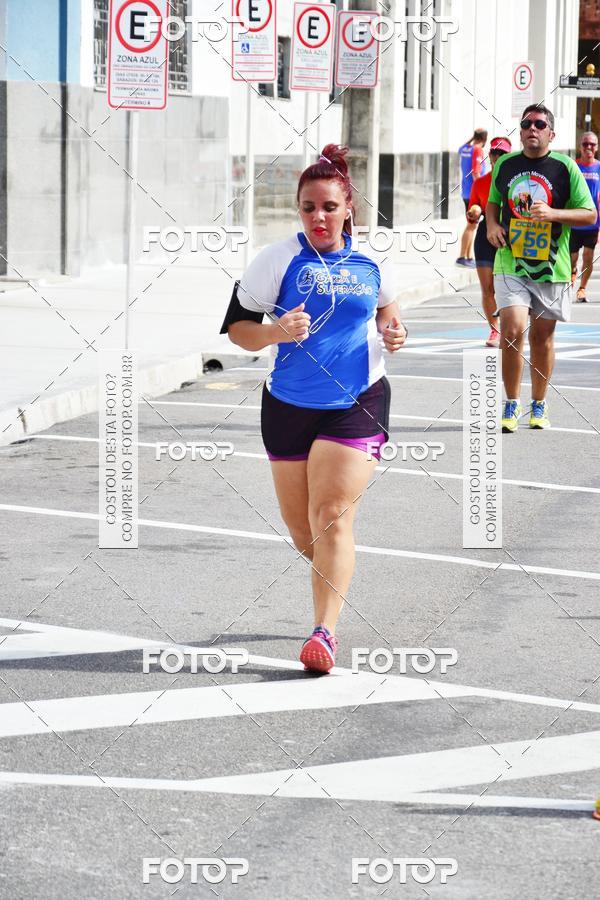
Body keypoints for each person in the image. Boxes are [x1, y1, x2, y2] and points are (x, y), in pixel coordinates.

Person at [221, 144, 407, 673]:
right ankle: (335, 573)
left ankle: (324, 633)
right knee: (306, 533)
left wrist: (395, 333)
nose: (318, 217)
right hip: (288, 405)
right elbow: (238, 331)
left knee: (330, 516)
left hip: (356, 401)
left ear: (348, 209)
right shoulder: (275, 260)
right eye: (308, 208)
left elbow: (389, 315)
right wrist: (275, 332)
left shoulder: (372, 260)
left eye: (329, 207)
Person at [486, 104, 596, 432]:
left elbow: (589, 214)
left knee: (542, 336)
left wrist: (553, 214)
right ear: (520, 132)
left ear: (551, 133)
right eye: (526, 123)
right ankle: (510, 402)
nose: (532, 128)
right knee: (512, 330)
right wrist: (492, 224)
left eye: (539, 124)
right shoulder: (505, 164)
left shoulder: (565, 168)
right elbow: (493, 202)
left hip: (552, 265)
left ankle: (539, 402)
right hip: (511, 260)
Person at [466, 136, 512, 347]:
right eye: (495, 152)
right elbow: (473, 212)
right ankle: (495, 330)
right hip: (486, 235)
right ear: (490, 156)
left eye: (503, 153)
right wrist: (473, 213)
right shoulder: (481, 183)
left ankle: (512, 327)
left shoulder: (516, 182)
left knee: (509, 288)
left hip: (511, 236)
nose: (498, 156)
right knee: (487, 289)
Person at [570, 131, 600, 303]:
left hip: (592, 221)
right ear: (580, 146)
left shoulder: (599, 168)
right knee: (572, 258)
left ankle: (582, 288)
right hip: (574, 221)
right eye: (585, 144)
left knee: (588, 256)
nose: (589, 147)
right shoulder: (573, 166)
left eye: (592, 144)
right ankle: (572, 273)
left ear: (597, 147)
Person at [456, 128, 488, 267]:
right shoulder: (478, 150)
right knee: (471, 225)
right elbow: (476, 173)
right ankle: (461, 257)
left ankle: (468, 257)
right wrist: (481, 191)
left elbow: (462, 147)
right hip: (473, 194)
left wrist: (473, 138)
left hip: (466, 193)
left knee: (472, 225)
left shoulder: (465, 149)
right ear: (484, 140)